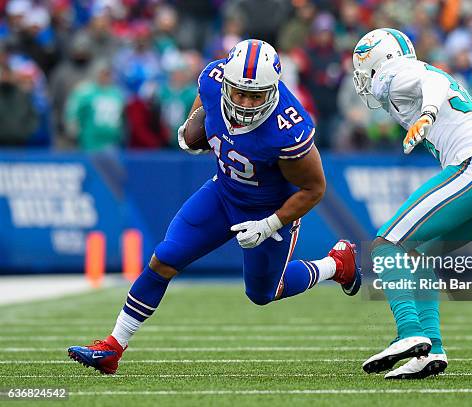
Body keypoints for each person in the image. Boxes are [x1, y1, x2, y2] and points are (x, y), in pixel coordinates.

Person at [67, 39, 360, 374]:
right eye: (239, 93)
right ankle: (113, 347)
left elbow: (314, 188)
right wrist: (193, 130)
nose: (247, 103)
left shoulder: (289, 128)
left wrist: (270, 224)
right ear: (226, 84)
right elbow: (202, 107)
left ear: (273, 90)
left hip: (269, 208)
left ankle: (337, 265)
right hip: (223, 193)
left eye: (256, 95)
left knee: (264, 293)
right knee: (164, 258)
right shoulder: (212, 78)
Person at [352, 28, 472, 379]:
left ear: (377, 61)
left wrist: (427, 112)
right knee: (419, 254)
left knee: (387, 244)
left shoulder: (396, 73)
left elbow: (434, 81)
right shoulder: (407, 78)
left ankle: (409, 331)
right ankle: (432, 349)